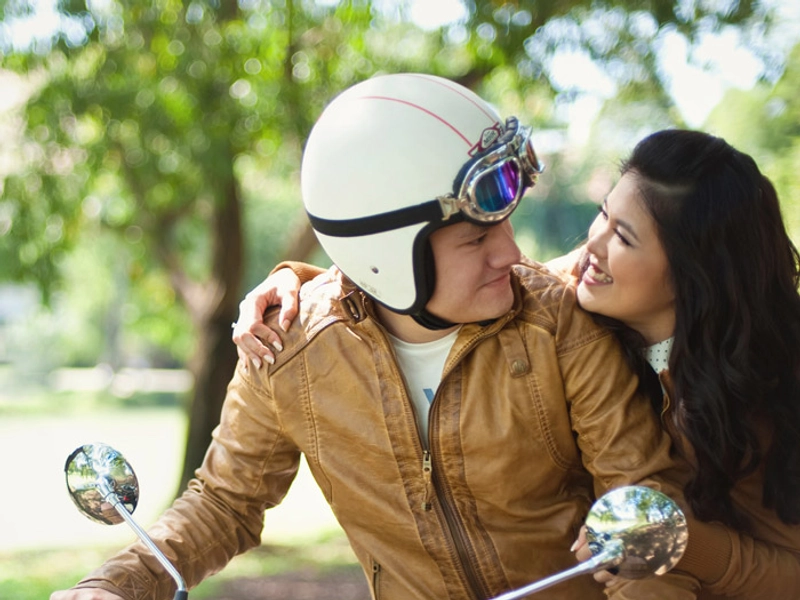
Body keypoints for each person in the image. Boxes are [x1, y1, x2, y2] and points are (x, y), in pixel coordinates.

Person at [51, 74, 697, 600]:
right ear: (388, 258)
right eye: (477, 237)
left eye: (506, 222)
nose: (511, 250)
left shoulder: (559, 324)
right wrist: (112, 586)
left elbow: (642, 515)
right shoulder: (289, 348)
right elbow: (223, 502)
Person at [234, 128, 800, 598]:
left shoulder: (760, 393)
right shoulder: (583, 295)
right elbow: (458, 280)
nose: (593, 242)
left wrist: (684, 542)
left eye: (622, 236)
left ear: (694, 273)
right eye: (603, 215)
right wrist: (301, 283)